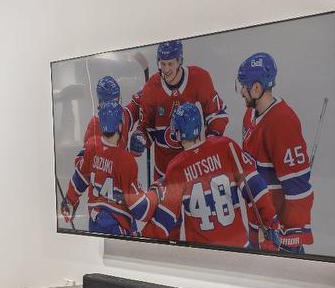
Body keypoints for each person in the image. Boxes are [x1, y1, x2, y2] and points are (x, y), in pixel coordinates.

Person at [145, 102, 277, 248]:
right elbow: (256, 187)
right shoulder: (226, 146)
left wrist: (140, 236)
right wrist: (270, 223)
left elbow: (165, 219)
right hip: (239, 248)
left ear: (177, 133)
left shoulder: (176, 167)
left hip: (203, 254)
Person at [237, 52, 314, 252]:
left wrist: (290, 236)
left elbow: (298, 188)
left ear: (256, 88)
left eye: (243, 86)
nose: (241, 92)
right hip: (259, 226)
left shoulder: (282, 122)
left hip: (278, 237)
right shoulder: (250, 114)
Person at [126, 40, 227, 183]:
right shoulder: (151, 87)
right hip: (164, 172)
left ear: (180, 61)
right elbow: (146, 128)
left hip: (194, 168)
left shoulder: (199, 78)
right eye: (162, 64)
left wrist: (209, 145)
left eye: (170, 64)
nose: (166, 70)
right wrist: (139, 138)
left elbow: (216, 115)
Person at [61, 97, 154, 235]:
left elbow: (80, 177)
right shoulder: (126, 160)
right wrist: (155, 195)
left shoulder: (91, 147)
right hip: (118, 225)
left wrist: (69, 200)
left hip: (95, 221)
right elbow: (140, 209)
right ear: (120, 126)